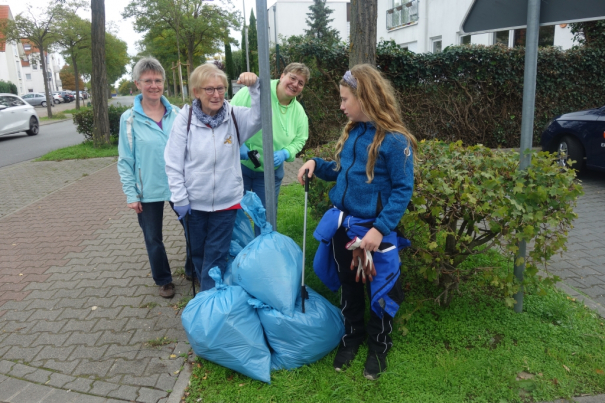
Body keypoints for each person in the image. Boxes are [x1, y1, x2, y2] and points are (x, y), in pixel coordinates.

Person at [297, 64, 417, 380]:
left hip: (374, 235)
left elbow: (404, 189)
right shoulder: (353, 131)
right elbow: (342, 172)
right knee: (350, 287)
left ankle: (379, 347)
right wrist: (315, 164)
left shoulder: (394, 140)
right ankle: (352, 337)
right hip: (344, 229)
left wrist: (379, 229)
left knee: (379, 291)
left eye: (345, 99)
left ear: (364, 98)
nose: (341, 105)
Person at [164, 63, 262, 291]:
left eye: (220, 88)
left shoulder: (234, 116)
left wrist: (255, 87)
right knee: (198, 253)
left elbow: (259, 118)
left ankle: (210, 301)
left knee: (216, 254)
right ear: (196, 92)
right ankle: (210, 296)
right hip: (193, 203)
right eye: (209, 89)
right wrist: (180, 198)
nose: (216, 95)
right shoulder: (185, 118)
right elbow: (173, 161)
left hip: (226, 202)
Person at [117, 57, 181, 298]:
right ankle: (164, 279)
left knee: (193, 229)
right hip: (147, 190)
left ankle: (192, 268)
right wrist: (131, 194)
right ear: (137, 84)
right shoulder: (129, 119)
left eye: (158, 80)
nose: (154, 85)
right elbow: (125, 160)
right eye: (148, 81)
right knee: (153, 238)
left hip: (179, 186)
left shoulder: (177, 113)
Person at [231, 63, 310, 235]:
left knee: (265, 217)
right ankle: (237, 254)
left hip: (270, 173)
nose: (295, 84)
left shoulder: (298, 112)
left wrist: (286, 153)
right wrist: (240, 145)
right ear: (282, 76)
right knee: (234, 213)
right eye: (292, 78)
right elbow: (230, 117)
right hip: (241, 167)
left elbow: (300, 139)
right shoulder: (256, 92)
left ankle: (262, 254)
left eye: (301, 83)